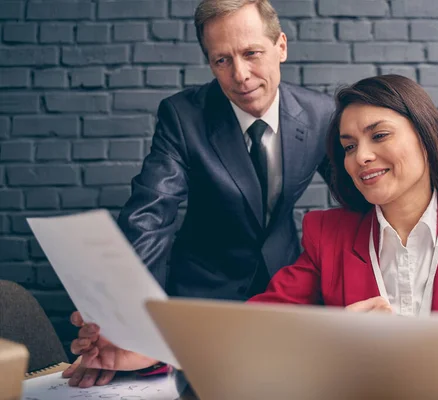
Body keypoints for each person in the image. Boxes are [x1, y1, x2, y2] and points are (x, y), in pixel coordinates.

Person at [68, 74, 438, 383]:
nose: (360, 157)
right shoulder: (329, 236)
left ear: (427, 136)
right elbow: (253, 326)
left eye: (379, 135)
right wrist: (149, 348)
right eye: (346, 145)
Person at [64, 0, 334, 387]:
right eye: (221, 60)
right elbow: (150, 213)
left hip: (286, 292)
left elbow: (358, 199)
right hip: (202, 298)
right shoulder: (182, 115)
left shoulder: (321, 113)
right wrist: (130, 322)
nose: (240, 75)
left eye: (252, 53)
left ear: (281, 47)